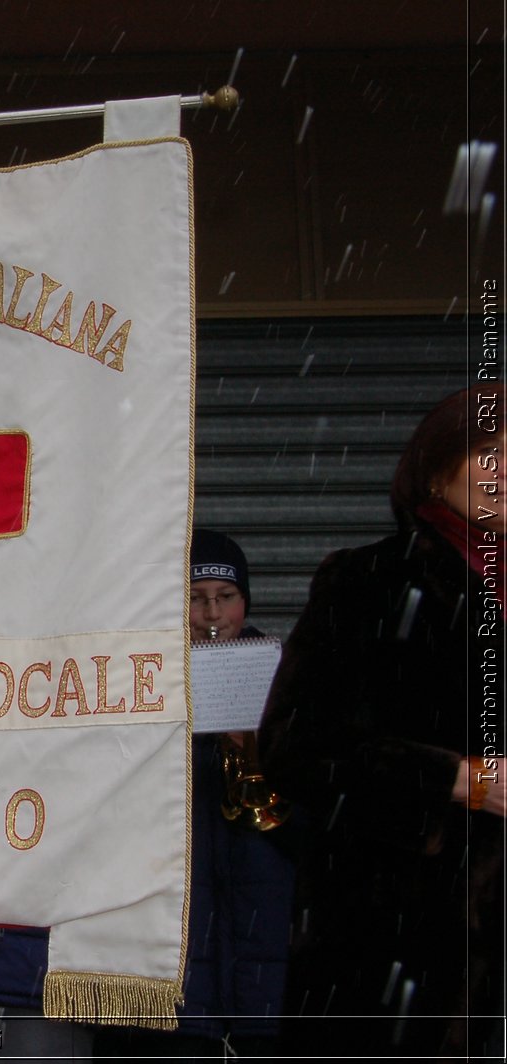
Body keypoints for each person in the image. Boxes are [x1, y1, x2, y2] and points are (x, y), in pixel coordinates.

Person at [259, 384, 506, 1058]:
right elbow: (295, 747)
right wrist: (460, 779)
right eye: (489, 452)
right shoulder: (367, 582)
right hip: (399, 941)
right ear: (436, 467)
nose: (506, 469)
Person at [99, 528, 295, 1058]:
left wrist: (262, 748)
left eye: (226, 598)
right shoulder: (138, 683)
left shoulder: (283, 679)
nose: (212, 614)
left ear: (245, 602)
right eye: (196, 598)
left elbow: (311, 811)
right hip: (172, 950)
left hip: (261, 939)